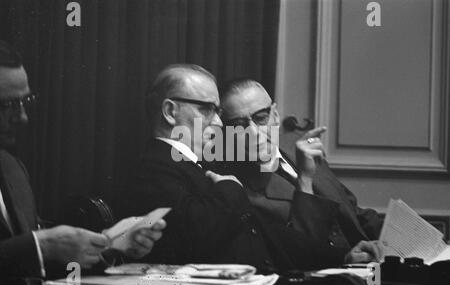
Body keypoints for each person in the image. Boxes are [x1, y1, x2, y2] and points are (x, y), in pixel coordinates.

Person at [121, 64, 380, 274]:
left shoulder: (196, 167)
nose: (218, 122)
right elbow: (198, 232)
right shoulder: (162, 166)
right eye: (207, 109)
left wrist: (343, 257)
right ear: (169, 112)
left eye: (261, 117)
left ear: (275, 116)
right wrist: (231, 188)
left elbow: (271, 236)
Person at [0, 40, 166, 285]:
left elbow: (32, 268)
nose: (23, 117)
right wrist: (41, 245)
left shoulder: (11, 168)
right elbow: (34, 251)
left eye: (26, 101)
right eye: (7, 105)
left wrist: (107, 245)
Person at [218, 78, 383, 253]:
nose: (253, 133)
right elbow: (302, 251)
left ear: (275, 115)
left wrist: (404, 236)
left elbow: (352, 212)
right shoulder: (236, 189)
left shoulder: (300, 148)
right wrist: (305, 179)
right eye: (238, 125)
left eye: (260, 118)